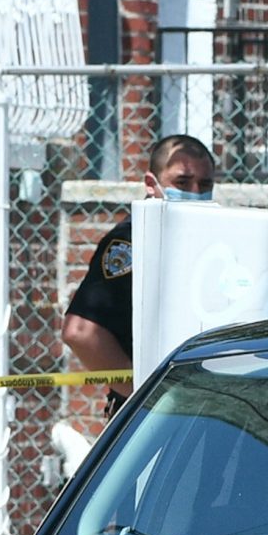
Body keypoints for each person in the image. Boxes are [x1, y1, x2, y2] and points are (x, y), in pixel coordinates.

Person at [63, 133, 214, 407]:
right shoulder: (131, 242)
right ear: (151, 184)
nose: (194, 192)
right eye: (182, 182)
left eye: (204, 184)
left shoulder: (209, 235)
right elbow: (81, 332)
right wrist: (144, 394)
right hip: (157, 409)